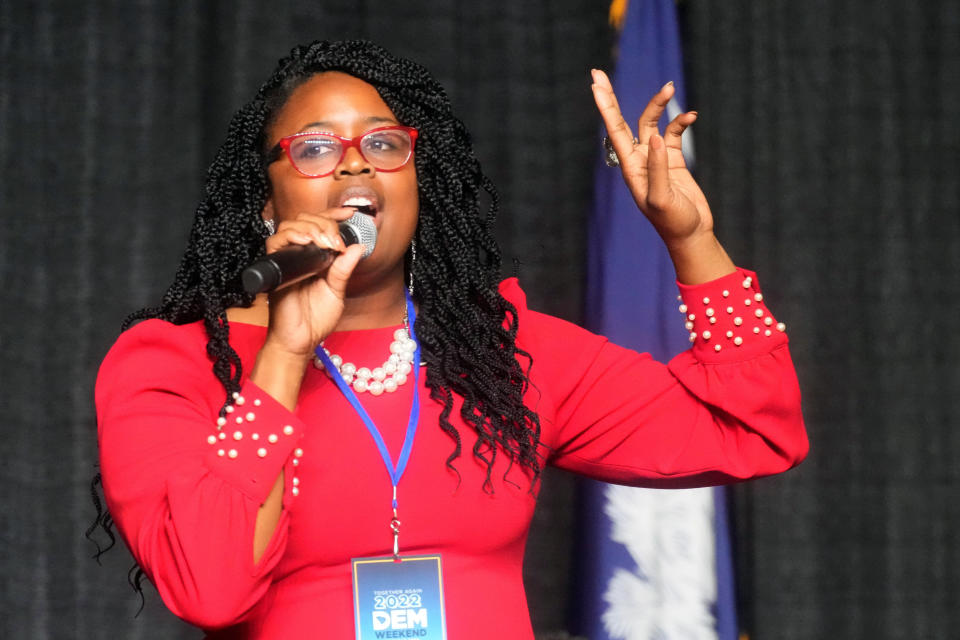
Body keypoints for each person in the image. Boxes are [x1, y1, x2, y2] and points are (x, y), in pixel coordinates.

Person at [93, 39, 807, 639]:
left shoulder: (500, 352)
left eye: (383, 143)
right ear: (264, 200)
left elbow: (750, 429)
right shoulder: (174, 365)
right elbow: (211, 590)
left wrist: (692, 240)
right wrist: (285, 354)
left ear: (418, 182)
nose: (354, 164)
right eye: (314, 149)